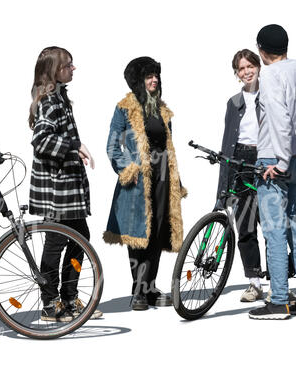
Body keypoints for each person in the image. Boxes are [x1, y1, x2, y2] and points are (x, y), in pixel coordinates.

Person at [248, 25, 296, 319]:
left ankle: (278, 301)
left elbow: (280, 120)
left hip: (273, 160)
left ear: (261, 50)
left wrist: (280, 162)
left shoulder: (271, 76)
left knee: (275, 232)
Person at [104, 56, 187, 311]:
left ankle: (150, 288)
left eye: (156, 75)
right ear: (138, 80)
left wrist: (177, 180)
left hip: (162, 177)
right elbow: (112, 144)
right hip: (137, 182)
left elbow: (168, 146)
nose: (154, 80)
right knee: (137, 235)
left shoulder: (162, 110)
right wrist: (128, 168)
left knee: (158, 233)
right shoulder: (124, 107)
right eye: (149, 76)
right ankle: (138, 291)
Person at [28, 46, 102, 321]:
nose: (73, 69)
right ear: (55, 70)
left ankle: (69, 298)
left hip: (68, 188)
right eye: (68, 65)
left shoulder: (60, 97)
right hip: (57, 190)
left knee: (80, 240)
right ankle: (50, 304)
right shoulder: (48, 100)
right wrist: (74, 145)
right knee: (56, 242)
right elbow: (41, 140)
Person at [215, 49, 265, 303]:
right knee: (245, 225)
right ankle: (254, 283)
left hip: (266, 160)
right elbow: (227, 142)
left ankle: (281, 282)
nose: (246, 72)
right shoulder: (234, 103)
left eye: (250, 66)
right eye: (241, 68)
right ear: (236, 73)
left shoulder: (270, 95)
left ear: (258, 66)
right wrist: (222, 186)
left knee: (272, 224)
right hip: (241, 160)